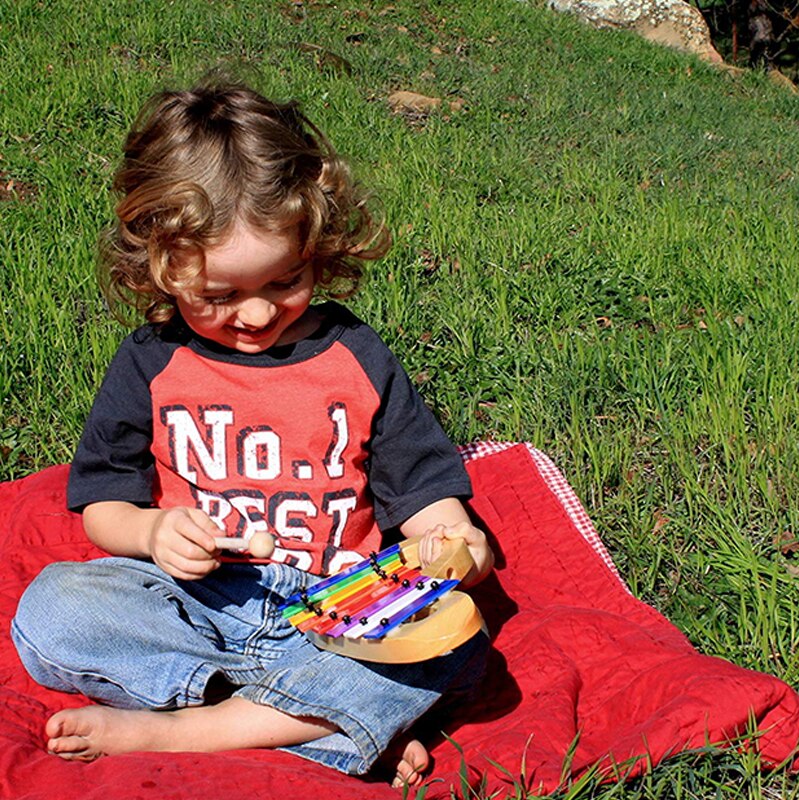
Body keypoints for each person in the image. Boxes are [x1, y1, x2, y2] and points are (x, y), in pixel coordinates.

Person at [11, 82, 494, 789]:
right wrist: (151, 534)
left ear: (315, 244)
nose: (258, 312)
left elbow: (422, 489)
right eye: (220, 295)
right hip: (199, 601)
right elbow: (102, 508)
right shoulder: (150, 361)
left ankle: (195, 731)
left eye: (286, 279)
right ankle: (313, 726)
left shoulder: (353, 355)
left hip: (341, 607)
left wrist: (454, 540)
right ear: (159, 266)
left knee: (461, 642)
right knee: (53, 609)